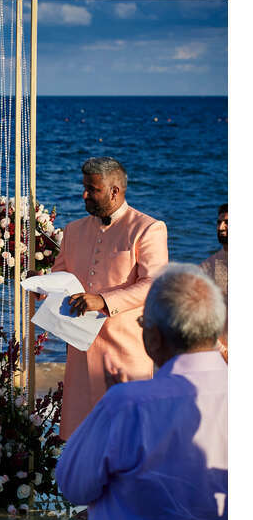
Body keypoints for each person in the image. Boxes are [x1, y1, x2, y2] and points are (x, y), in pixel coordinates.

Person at [55, 263, 227, 520]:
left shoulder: (128, 405)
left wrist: (115, 411)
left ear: (154, 337)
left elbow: (73, 486)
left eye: (141, 323)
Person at [48, 157, 168, 439]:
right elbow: (61, 277)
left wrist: (102, 300)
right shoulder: (73, 230)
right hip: (79, 353)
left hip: (125, 353)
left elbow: (154, 285)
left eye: (92, 189)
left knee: (127, 439)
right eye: (85, 187)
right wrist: (40, 283)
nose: (84, 195)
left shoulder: (148, 228)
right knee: (81, 440)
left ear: (115, 191)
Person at [200, 203, 227, 360]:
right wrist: (221, 350)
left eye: (227, 222)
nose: (221, 227)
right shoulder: (206, 267)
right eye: (219, 222)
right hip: (218, 355)